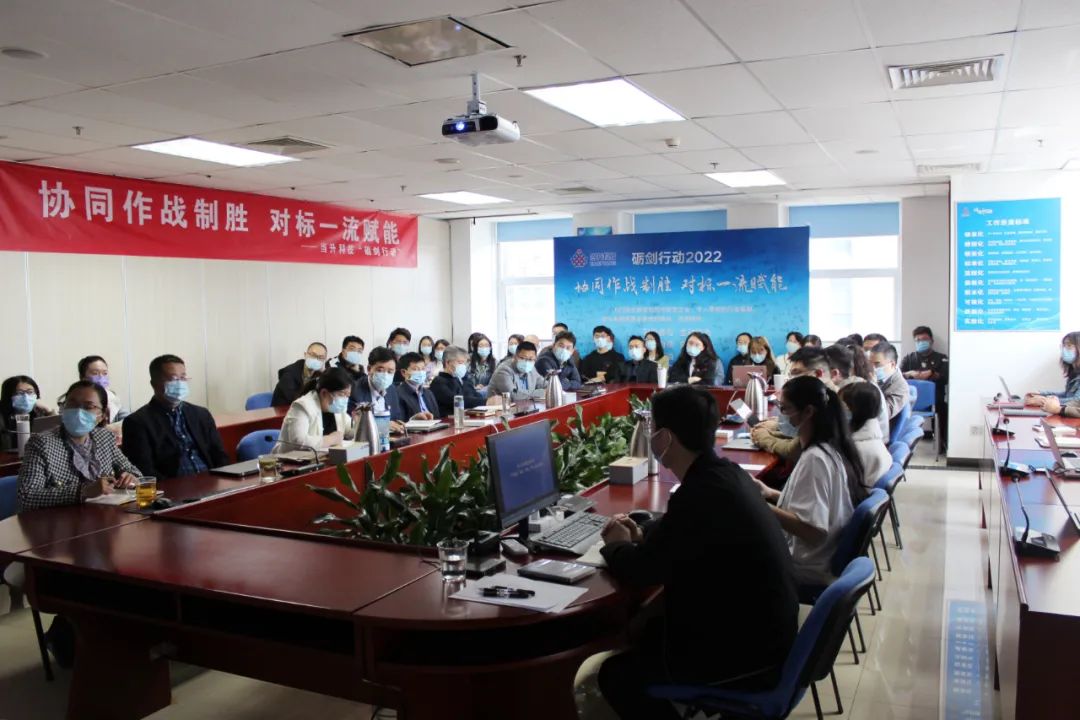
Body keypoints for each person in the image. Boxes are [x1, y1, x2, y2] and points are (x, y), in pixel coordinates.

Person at [597, 385, 798, 720]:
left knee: (616, 675)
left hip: (746, 657)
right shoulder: (725, 474)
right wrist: (642, 532)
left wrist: (616, 545)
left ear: (665, 438)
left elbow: (643, 571)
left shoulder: (700, 493)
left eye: (652, 428)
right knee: (647, 631)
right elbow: (678, 531)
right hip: (766, 637)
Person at [753, 375, 868, 585]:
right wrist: (770, 494)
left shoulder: (815, 459)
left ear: (808, 412)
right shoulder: (829, 448)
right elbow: (814, 505)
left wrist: (759, 506)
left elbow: (814, 531)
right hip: (818, 556)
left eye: (784, 409)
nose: (781, 416)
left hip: (805, 567)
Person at [17, 380, 140, 511]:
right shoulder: (41, 442)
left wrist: (131, 478)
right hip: (59, 519)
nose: (78, 411)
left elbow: (134, 472)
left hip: (102, 515)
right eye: (72, 404)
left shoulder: (104, 437)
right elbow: (26, 496)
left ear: (102, 415)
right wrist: (83, 491)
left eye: (88, 406)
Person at [122, 355, 229, 479]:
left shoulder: (201, 414)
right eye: (173, 379)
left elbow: (219, 456)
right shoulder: (137, 422)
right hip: (172, 486)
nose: (179, 383)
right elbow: (143, 470)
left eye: (182, 378)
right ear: (154, 384)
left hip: (210, 480)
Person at [750, 347, 834, 462]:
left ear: (818, 374)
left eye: (797, 373)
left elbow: (793, 450)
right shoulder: (820, 396)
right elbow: (794, 434)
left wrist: (763, 437)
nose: (791, 379)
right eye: (790, 374)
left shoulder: (824, 404)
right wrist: (777, 424)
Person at [273, 368, 355, 452]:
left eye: (347, 395)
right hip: (289, 458)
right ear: (324, 393)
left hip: (323, 458)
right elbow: (298, 441)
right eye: (342, 394)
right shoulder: (303, 406)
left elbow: (350, 429)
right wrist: (331, 439)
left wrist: (360, 422)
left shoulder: (337, 410)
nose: (345, 399)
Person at [824, 343, 889, 439]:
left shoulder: (857, 392)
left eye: (820, 371)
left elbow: (839, 432)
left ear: (834, 373)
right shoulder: (858, 385)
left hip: (867, 443)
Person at [900, 325, 950, 447]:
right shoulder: (909, 358)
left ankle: (942, 442)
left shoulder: (941, 358)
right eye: (918, 340)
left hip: (936, 400)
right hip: (911, 400)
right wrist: (910, 374)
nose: (921, 342)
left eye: (924, 339)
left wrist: (931, 373)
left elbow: (946, 378)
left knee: (943, 408)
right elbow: (899, 376)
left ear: (931, 341)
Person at [838, 382, 892, 483]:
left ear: (854, 410)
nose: (838, 411)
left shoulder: (858, 450)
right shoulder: (872, 439)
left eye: (843, 407)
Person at [350, 347, 405, 431]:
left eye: (390, 372)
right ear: (369, 369)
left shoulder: (392, 389)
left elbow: (396, 418)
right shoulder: (355, 390)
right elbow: (351, 423)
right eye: (380, 370)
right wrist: (381, 425)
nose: (385, 375)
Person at [1026, 331, 1080, 408]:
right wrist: (1040, 394)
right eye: (1063, 346)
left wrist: (1043, 401)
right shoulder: (1074, 372)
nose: (1064, 349)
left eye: (1069, 346)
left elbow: (1077, 401)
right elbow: (1067, 394)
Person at [0, 376, 55, 451]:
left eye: (30, 392)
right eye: (19, 393)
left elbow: (57, 436)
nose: (26, 397)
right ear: (8, 395)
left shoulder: (39, 414)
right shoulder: (2, 415)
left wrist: (49, 412)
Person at [68, 356, 128, 423]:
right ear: (83, 378)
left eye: (105, 373)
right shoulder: (74, 399)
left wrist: (111, 427)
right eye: (95, 373)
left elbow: (127, 420)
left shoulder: (113, 399)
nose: (101, 377)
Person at [429, 346, 485, 417]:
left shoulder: (459, 379)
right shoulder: (438, 382)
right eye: (460, 362)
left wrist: (488, 401)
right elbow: (457, 401)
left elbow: (472, 395)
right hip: (446, 420)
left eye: (464, 363)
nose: (463, 366)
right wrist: (486, 402)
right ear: (447, 363)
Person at [271, 342, 328, 407]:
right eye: (313, 355)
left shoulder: (318, 375)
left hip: (302, 410)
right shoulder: (289, 374)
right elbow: (295, 401)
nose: (316, 359)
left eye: (320, 358)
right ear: (305, 355)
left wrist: (325, 375)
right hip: (282, 410)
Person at [869, 342, 910, 420]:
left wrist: (873, 386)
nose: (872, 368)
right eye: (870, 363)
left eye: (877, 364)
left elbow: (883, 414)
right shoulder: (874, 379)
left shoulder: (901, 386)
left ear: (892, 364)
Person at [394, 352, 441, 420]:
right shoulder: (397, 394)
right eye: (415, 369)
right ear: (403, 372)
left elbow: (437, 417)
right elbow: (399, 421)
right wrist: (413, 419)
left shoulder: (428, 393)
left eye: (423, 369)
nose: (421, 372)